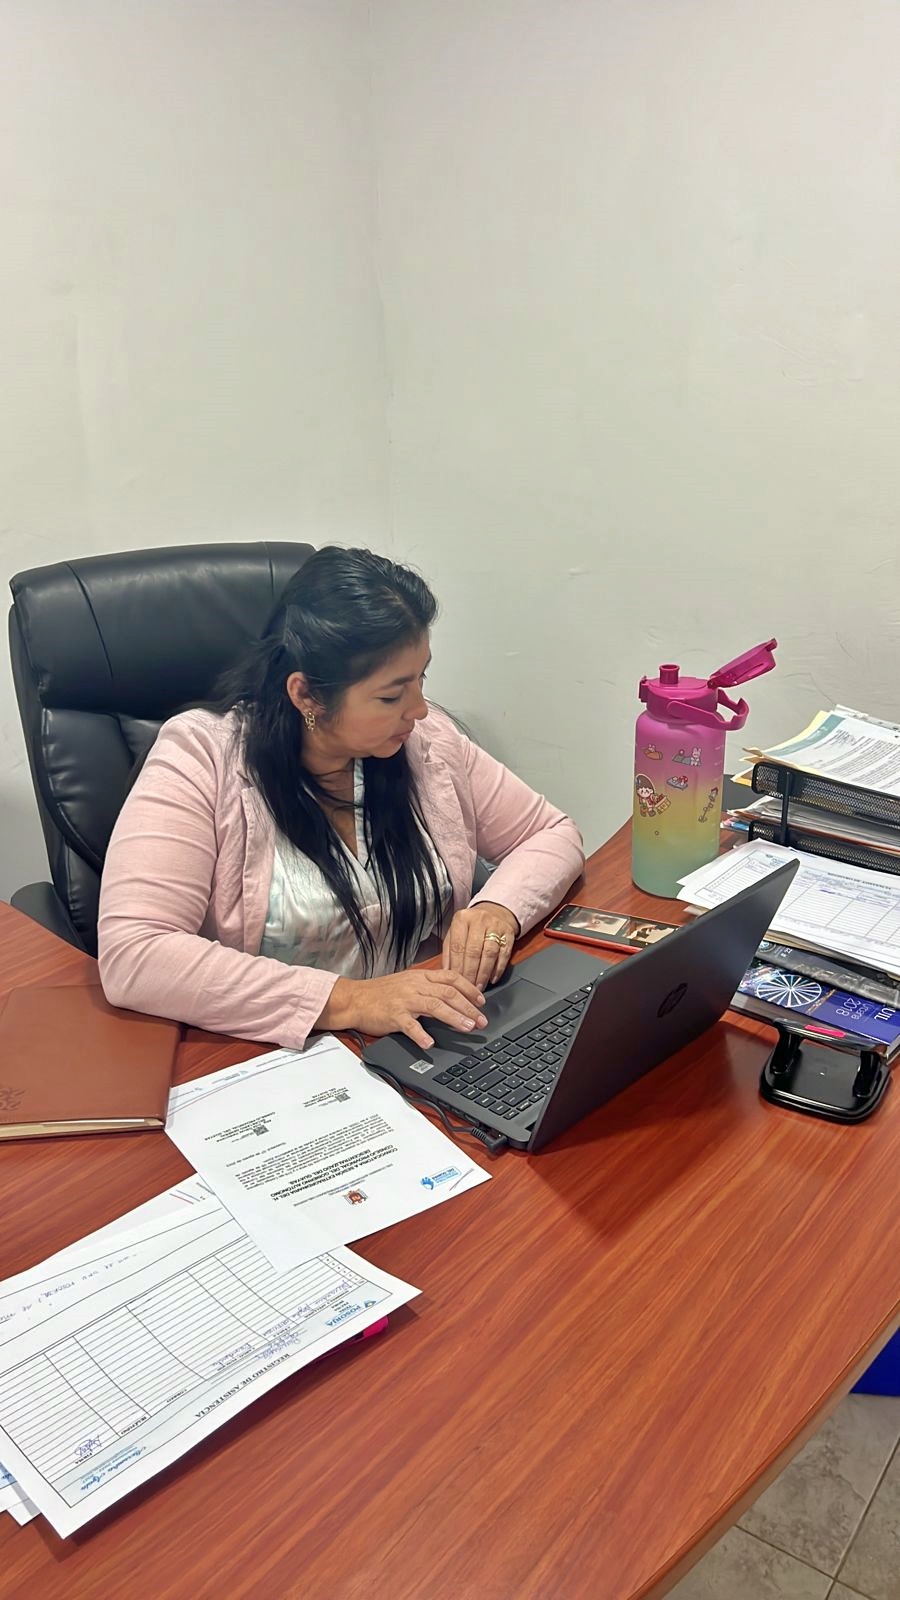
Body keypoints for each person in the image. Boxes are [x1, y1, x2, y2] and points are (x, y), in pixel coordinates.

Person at [98, 547, 584, 1052]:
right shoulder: (202, 757)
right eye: (391, 696)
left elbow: (550, 833)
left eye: (421, 678)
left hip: (424, 1039)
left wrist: (497, 909)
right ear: (306, 695)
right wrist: (351, 1000)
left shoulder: (424, 742)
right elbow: (135, 952)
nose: (419, 709)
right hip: (273, 1053)